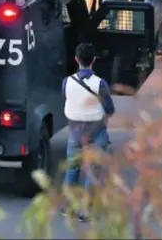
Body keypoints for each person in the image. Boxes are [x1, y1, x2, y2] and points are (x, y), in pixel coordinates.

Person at [62, 42, 115, 221]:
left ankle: (69, 207)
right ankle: (85, 211)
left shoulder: (67, 82)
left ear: (76, 59)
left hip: (75, 130)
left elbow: (68, 97)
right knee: (92, 171)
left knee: (72, 168)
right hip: (96, 131)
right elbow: (109, 107)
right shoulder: (100, 83)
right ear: (93, 60)